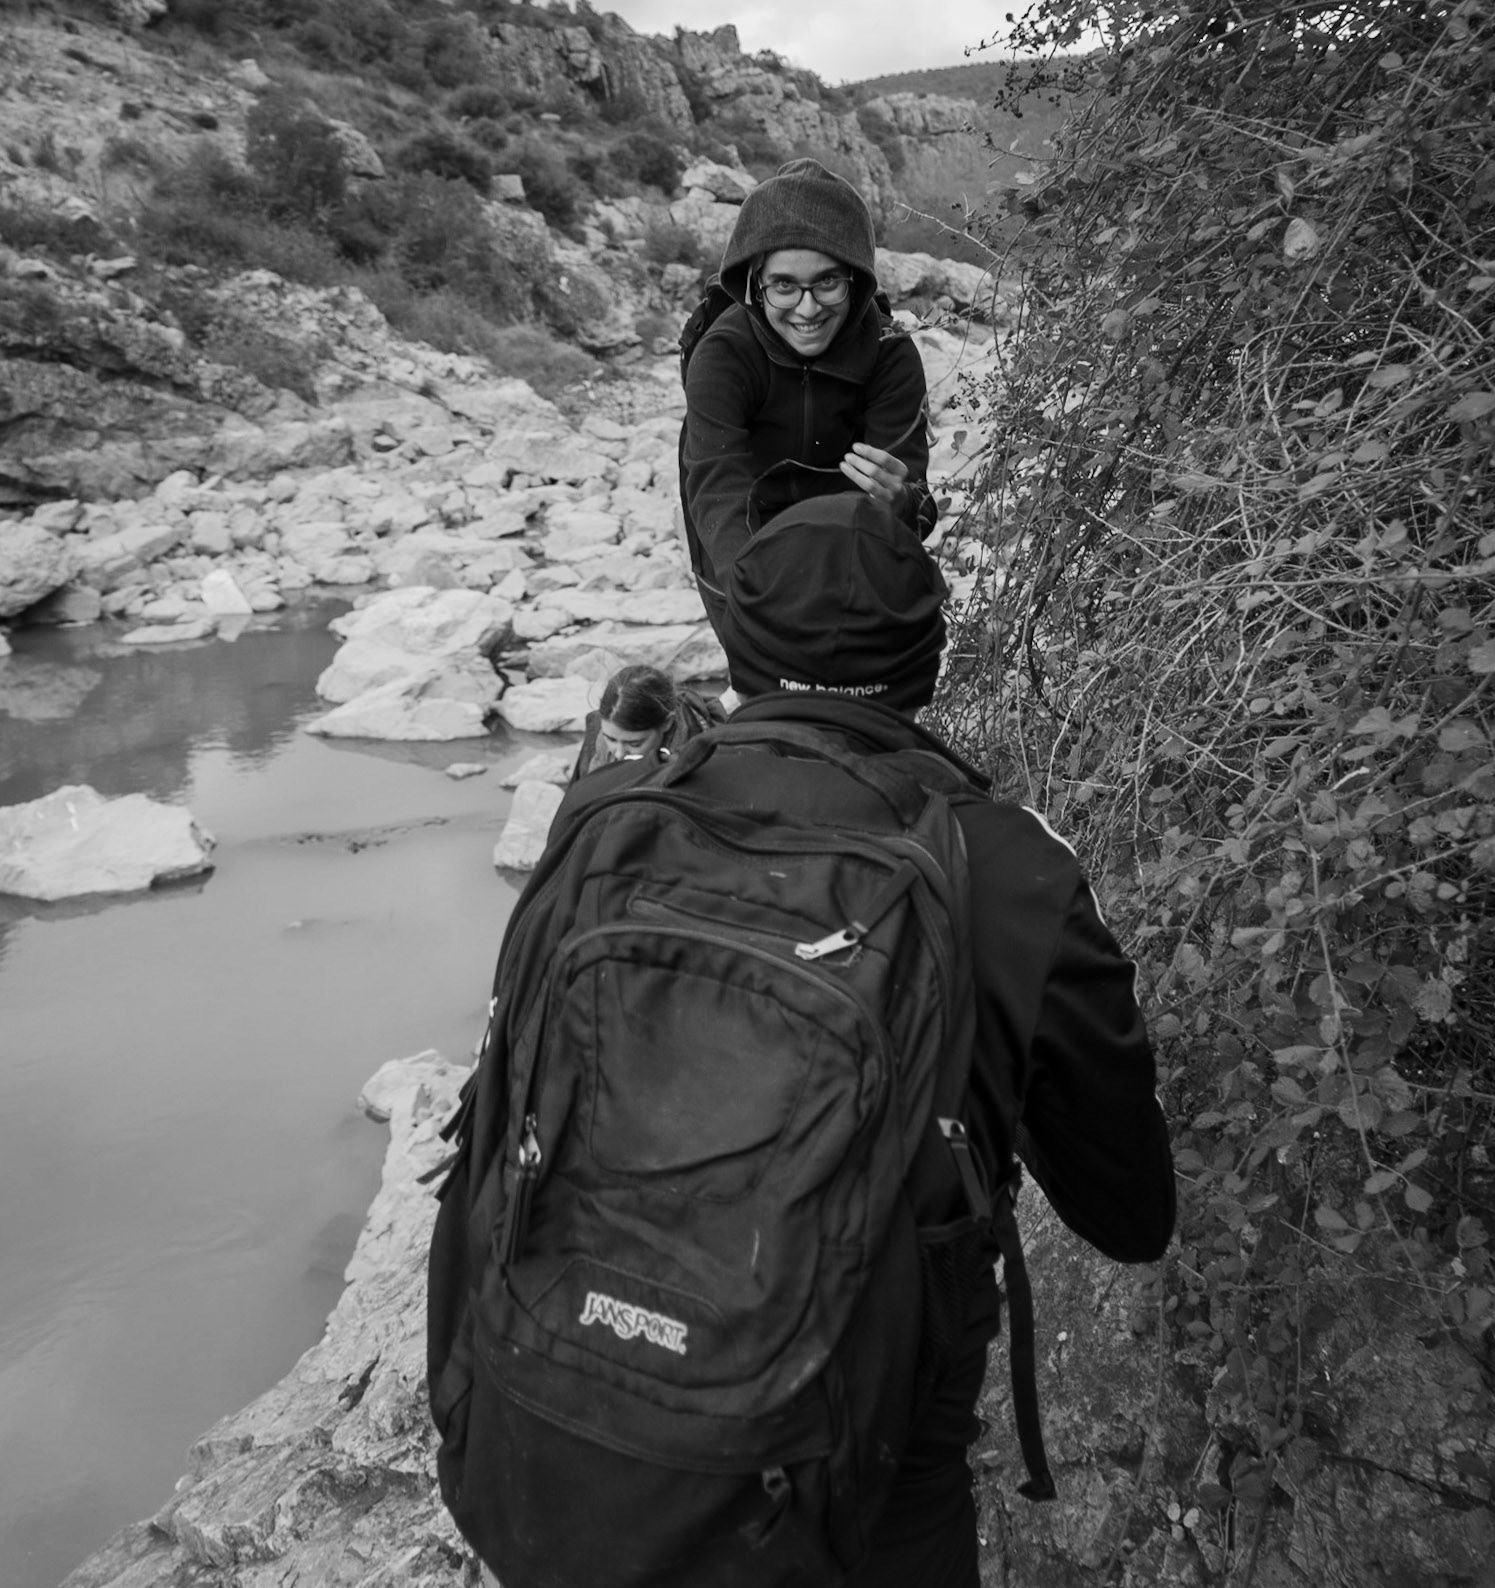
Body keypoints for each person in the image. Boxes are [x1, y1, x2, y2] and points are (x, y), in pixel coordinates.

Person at [547, 493, 1177, 1587]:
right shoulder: (1009, 870)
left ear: (736, 646)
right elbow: (1130, 1215)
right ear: (926, 656)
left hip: (568, 1419)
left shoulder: (605, 816)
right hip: (856, 1471)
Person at [679, 158, 938, 639]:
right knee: (768, 685)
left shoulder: (889, 356)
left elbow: (912, 512)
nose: (807, 308)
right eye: (784, 286)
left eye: (827, 282)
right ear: (754, 284)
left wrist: (899, 501)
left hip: (849, 544)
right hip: (740, 535)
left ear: (856, 280)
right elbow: (717, 491)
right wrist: (762, 605)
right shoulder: (723, 354)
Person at [569, 663, 728, 781]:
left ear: (667, 723)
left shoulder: (694, 759)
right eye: (611, 739)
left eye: (635, 744)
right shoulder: (600, 737)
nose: (618, 753)